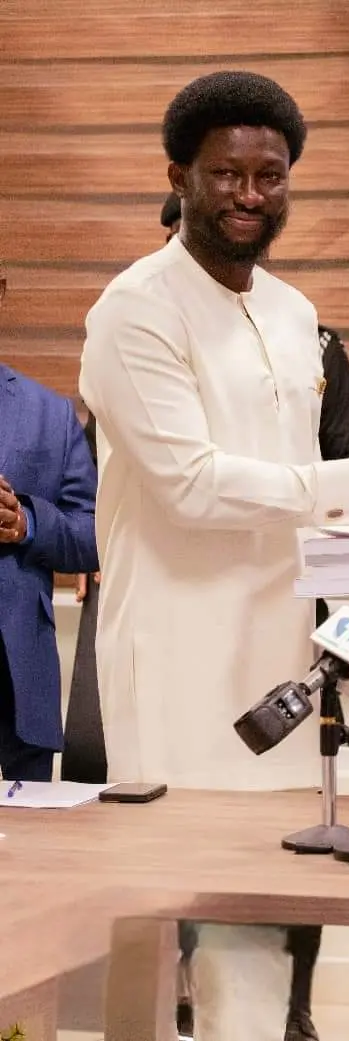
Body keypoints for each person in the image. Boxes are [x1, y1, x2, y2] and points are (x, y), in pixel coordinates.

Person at [78, 70, 349, 1041]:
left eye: (270, 176)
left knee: (275, 910)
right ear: (181, 175)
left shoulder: (294, 312)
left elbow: (293, 486)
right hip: (176, 655)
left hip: (286, 657)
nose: (249, 195)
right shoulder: (134, 310)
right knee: (159, 922)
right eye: (227, 174)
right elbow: (194, 486)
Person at [0, 262, 98, 782]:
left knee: (35, 858)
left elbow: (96, 535)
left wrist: (26, 524)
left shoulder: (50, 414)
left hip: (19, 694)